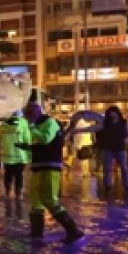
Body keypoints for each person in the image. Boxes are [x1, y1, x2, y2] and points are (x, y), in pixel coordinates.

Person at [21, 101, 84, 243]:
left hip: (50, 166)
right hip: (38, 166)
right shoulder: (38, 125)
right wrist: (27, 147)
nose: (27, 117)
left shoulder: (49, 122)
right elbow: (42, 145)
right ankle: (36, 233)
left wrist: (31, 126)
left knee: (49, 199)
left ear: (36, 112)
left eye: (28, 114)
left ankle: (73, 231)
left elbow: (44, 139)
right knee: (36, 201)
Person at [94, 105, 128, 194]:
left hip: (120, 148)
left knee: (124, 167)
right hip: (108, 148)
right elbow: (96, 130)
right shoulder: (105, 123)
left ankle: (126, 185)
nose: (112, 115)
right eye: (111, 113)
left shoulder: (124, 122)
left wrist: (125, 141)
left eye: (114, 113)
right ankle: (108, 186)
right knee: (107, 168)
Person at [0, 110, 30, 199]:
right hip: (20, 155)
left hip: (6, 155)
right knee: (19, 175)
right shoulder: (23, 123)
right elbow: (27, 139)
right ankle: (18, 194)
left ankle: (7, 192)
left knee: (8, 174)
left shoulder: (2, 125)